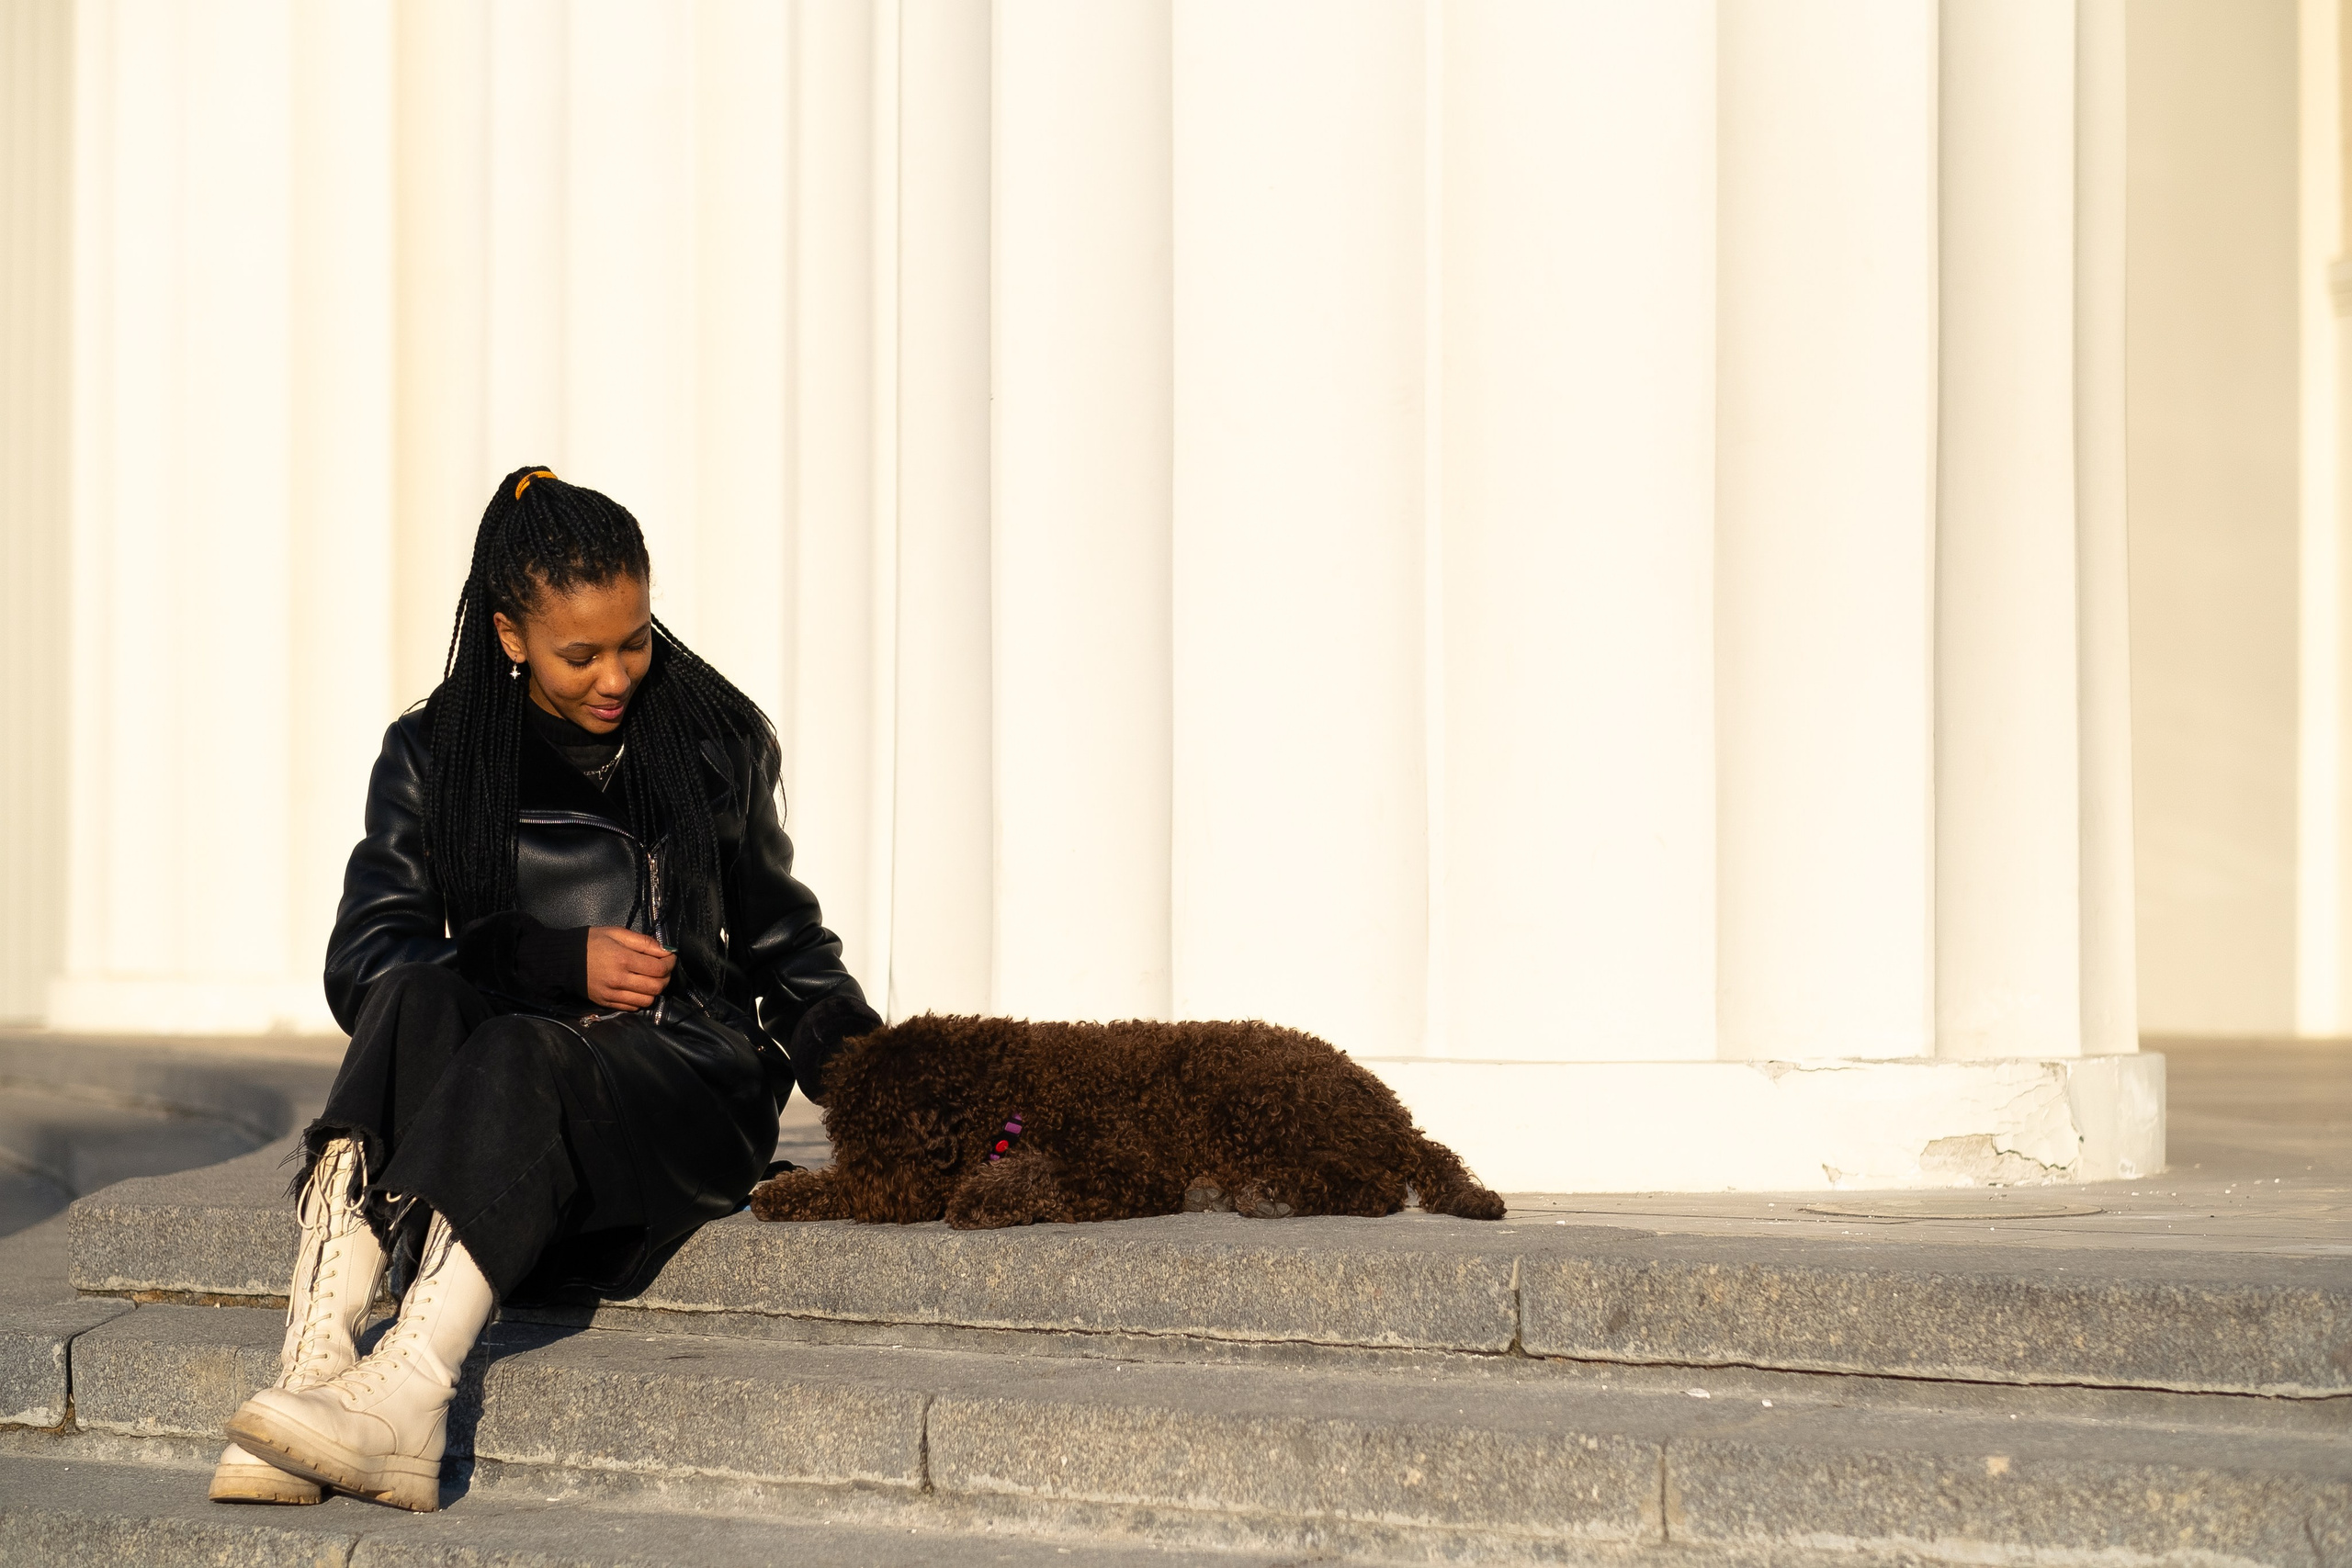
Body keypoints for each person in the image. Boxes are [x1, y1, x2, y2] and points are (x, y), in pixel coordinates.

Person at [212, 466, 876, 1512]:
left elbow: (788, 950)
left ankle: (409, 1397)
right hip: (509, 1109)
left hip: (681, 1095)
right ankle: (317, 1378)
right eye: (583, 654)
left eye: (636, 639)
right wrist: (546, 963)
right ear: (511, 636)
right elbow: (367, 958)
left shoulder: (712, 742)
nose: (618, 675)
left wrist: (895, 1087)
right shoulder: (435, 753)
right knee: (416, 1002)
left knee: (522, 1047)